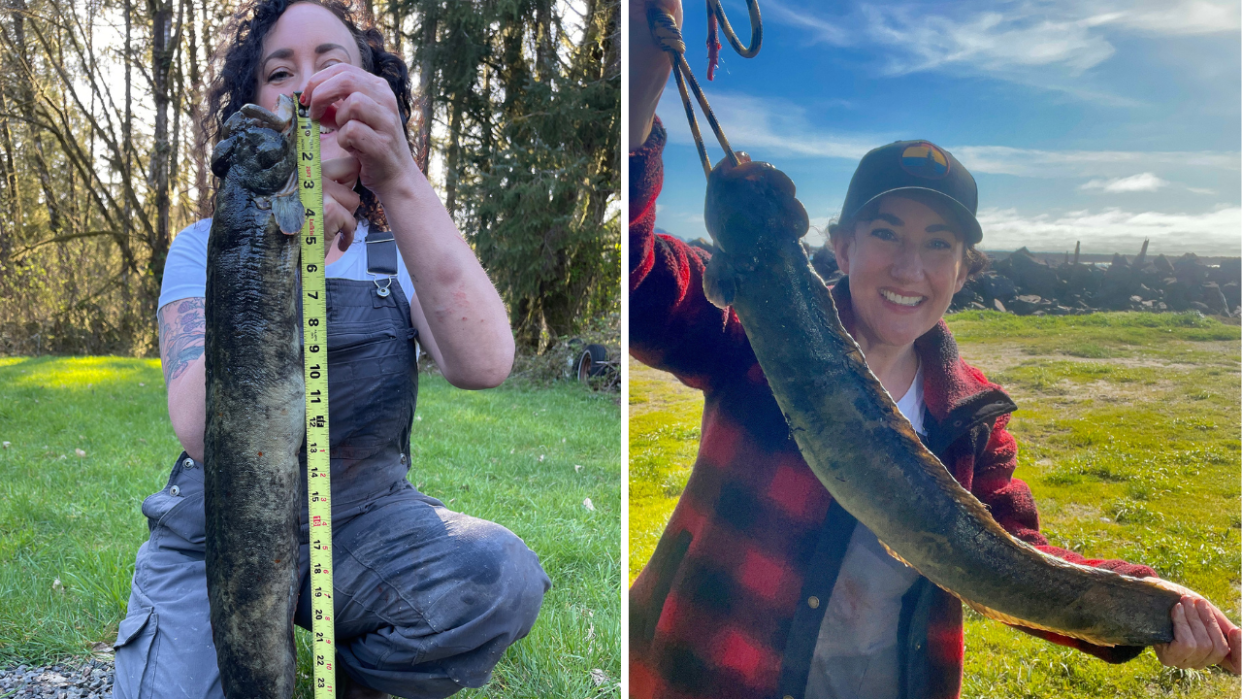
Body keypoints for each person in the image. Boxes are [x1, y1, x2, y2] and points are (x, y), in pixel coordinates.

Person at [626, 2, 1240, 698]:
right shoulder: (749, 329)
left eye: (939, 244)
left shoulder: (971, 415)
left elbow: (1015, 564)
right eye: (885, 233)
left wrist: (1157, 606)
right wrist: (645, 78)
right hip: (708, 676)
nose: (909, 268)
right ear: (841, 245)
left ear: (963, 268)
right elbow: (636, 283)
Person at [113, 2, 551, 698]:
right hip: (217, 529)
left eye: (332, 61)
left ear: (376, 90)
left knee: (498, 574)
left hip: (360, 524)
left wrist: (398, 175)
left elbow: (485, 362)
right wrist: (278, 253)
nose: (306, 83)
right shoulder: (204, 244)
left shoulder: (398, 246)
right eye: (279, 70)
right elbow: (200, 428)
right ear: (254, 103)